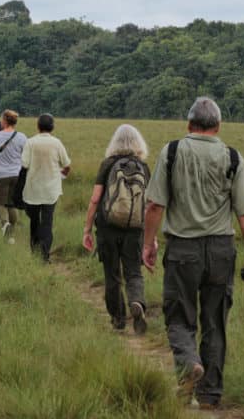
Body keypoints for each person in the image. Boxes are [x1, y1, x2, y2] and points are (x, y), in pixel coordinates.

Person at [142, 97, 244, 409]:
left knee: (179, 317)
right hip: (222, 249)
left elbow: (155, 205)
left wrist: (148, 244)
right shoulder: (233, 157)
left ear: (189, 125)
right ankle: (209, 395)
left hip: (183, 248)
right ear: (218, 126)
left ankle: (189, 362)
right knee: (215, 322)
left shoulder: (171, 152)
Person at [83, 124, 151, 333]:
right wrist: (151, 237)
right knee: (133, 272)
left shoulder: (108, 164)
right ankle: (137, 301)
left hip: (108, 227)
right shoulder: (143, 167)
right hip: (135, 229)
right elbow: (149, 205)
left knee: (112, 275)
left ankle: (118, 320)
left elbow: (95, 200)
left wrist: (87, 229)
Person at [20, 113, 70, 262]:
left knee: (34, 221)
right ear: (52, 127)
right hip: (51, 190)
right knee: (47, 222)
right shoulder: (57, 143)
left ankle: (34, 251)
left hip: (33, 189)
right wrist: (62, 174)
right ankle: (44, 254)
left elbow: (24, 164)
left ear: (38, 126)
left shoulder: (30, 142)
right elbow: (67, 165)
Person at [0, 109, 27, 242]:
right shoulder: (22, 137)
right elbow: (25, 157)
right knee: (12, 204)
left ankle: (5, 224)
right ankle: (11, 236)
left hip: (0, 175)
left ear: (4, 121)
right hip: (16, 174)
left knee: (0, 204)